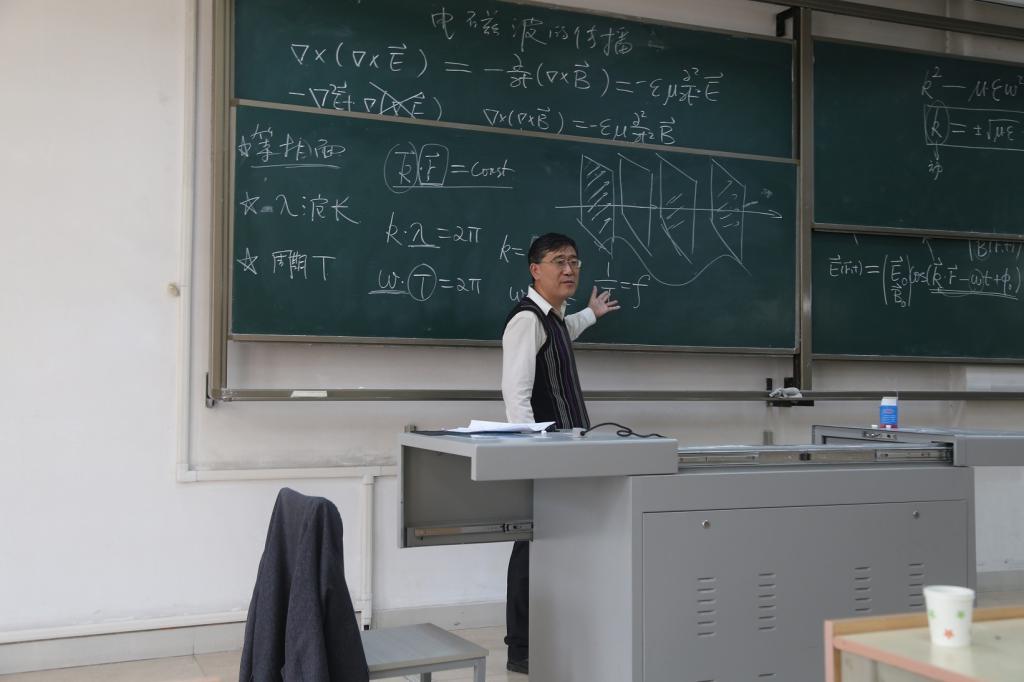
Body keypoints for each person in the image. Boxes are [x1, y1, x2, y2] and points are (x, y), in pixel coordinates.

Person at [500, 232, 619, 674]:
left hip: (567, 452)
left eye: (574, 262)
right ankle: (521, 648)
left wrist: (591, 314)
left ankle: (550, 637)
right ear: (536, 270)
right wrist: (532, 452)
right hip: (545, 453)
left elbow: (565, 331)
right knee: (531, 547)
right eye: (558, 262)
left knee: (556, 546)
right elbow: (515, 394)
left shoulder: (553, 319)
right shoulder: (526, 320)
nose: (569, 270)